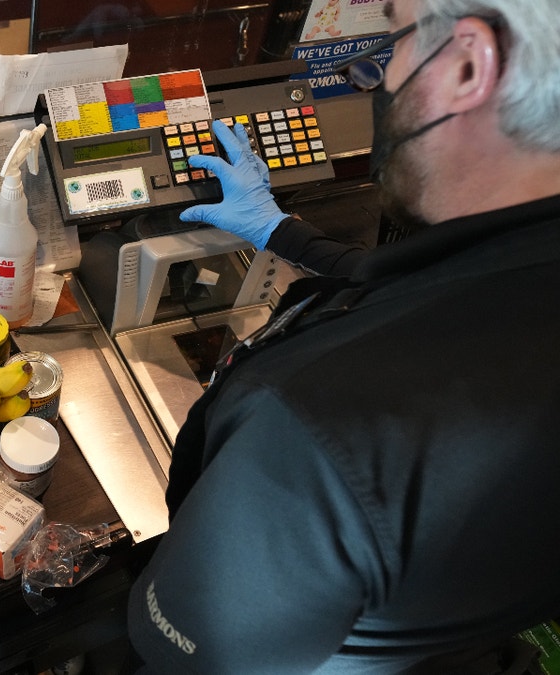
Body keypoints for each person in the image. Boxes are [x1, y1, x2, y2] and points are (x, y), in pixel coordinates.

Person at [127, 0, 560, 671]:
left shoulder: (316, 430)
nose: (383, 74)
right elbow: (436, 288)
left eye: (395, 37)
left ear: (470, 63)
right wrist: (279, 231)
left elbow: (182, 640)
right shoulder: (519, 268)